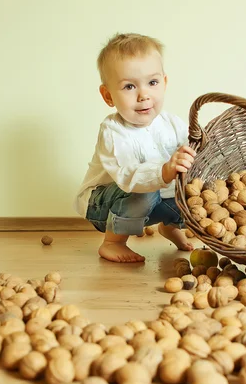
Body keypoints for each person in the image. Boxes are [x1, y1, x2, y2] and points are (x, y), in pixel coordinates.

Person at [74, 33, 196, 263]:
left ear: (165, 83)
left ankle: (169, 226)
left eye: (152, 83)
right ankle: (113, 242)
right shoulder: (113, 131)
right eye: (129, 86)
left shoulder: (173, 123)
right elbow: (128, 177)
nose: (143, 95)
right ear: (108, 95)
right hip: (104, 206)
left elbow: (190, 159)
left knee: (191, 191)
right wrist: (164, 171)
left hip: (151, 203)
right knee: (146, 191)